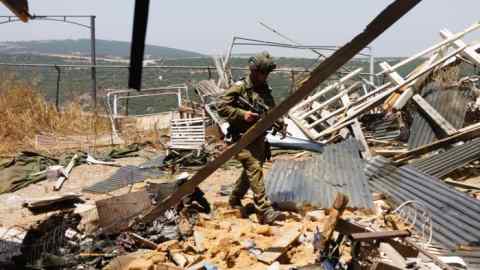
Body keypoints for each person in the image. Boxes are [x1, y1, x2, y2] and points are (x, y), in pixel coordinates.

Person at [217, 51, 284, 225]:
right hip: (242, 138)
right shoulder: (240, 87)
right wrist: (242, 114)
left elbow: (271, 109)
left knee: (251, 171)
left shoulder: (264, 88)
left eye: (267, 73)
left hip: (259, 138)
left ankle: (234, 199)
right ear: (254, 71)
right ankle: (264, 209)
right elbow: (221, 106)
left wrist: (279, 121)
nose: (265, 76)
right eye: (263, 72)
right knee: (254, 168)